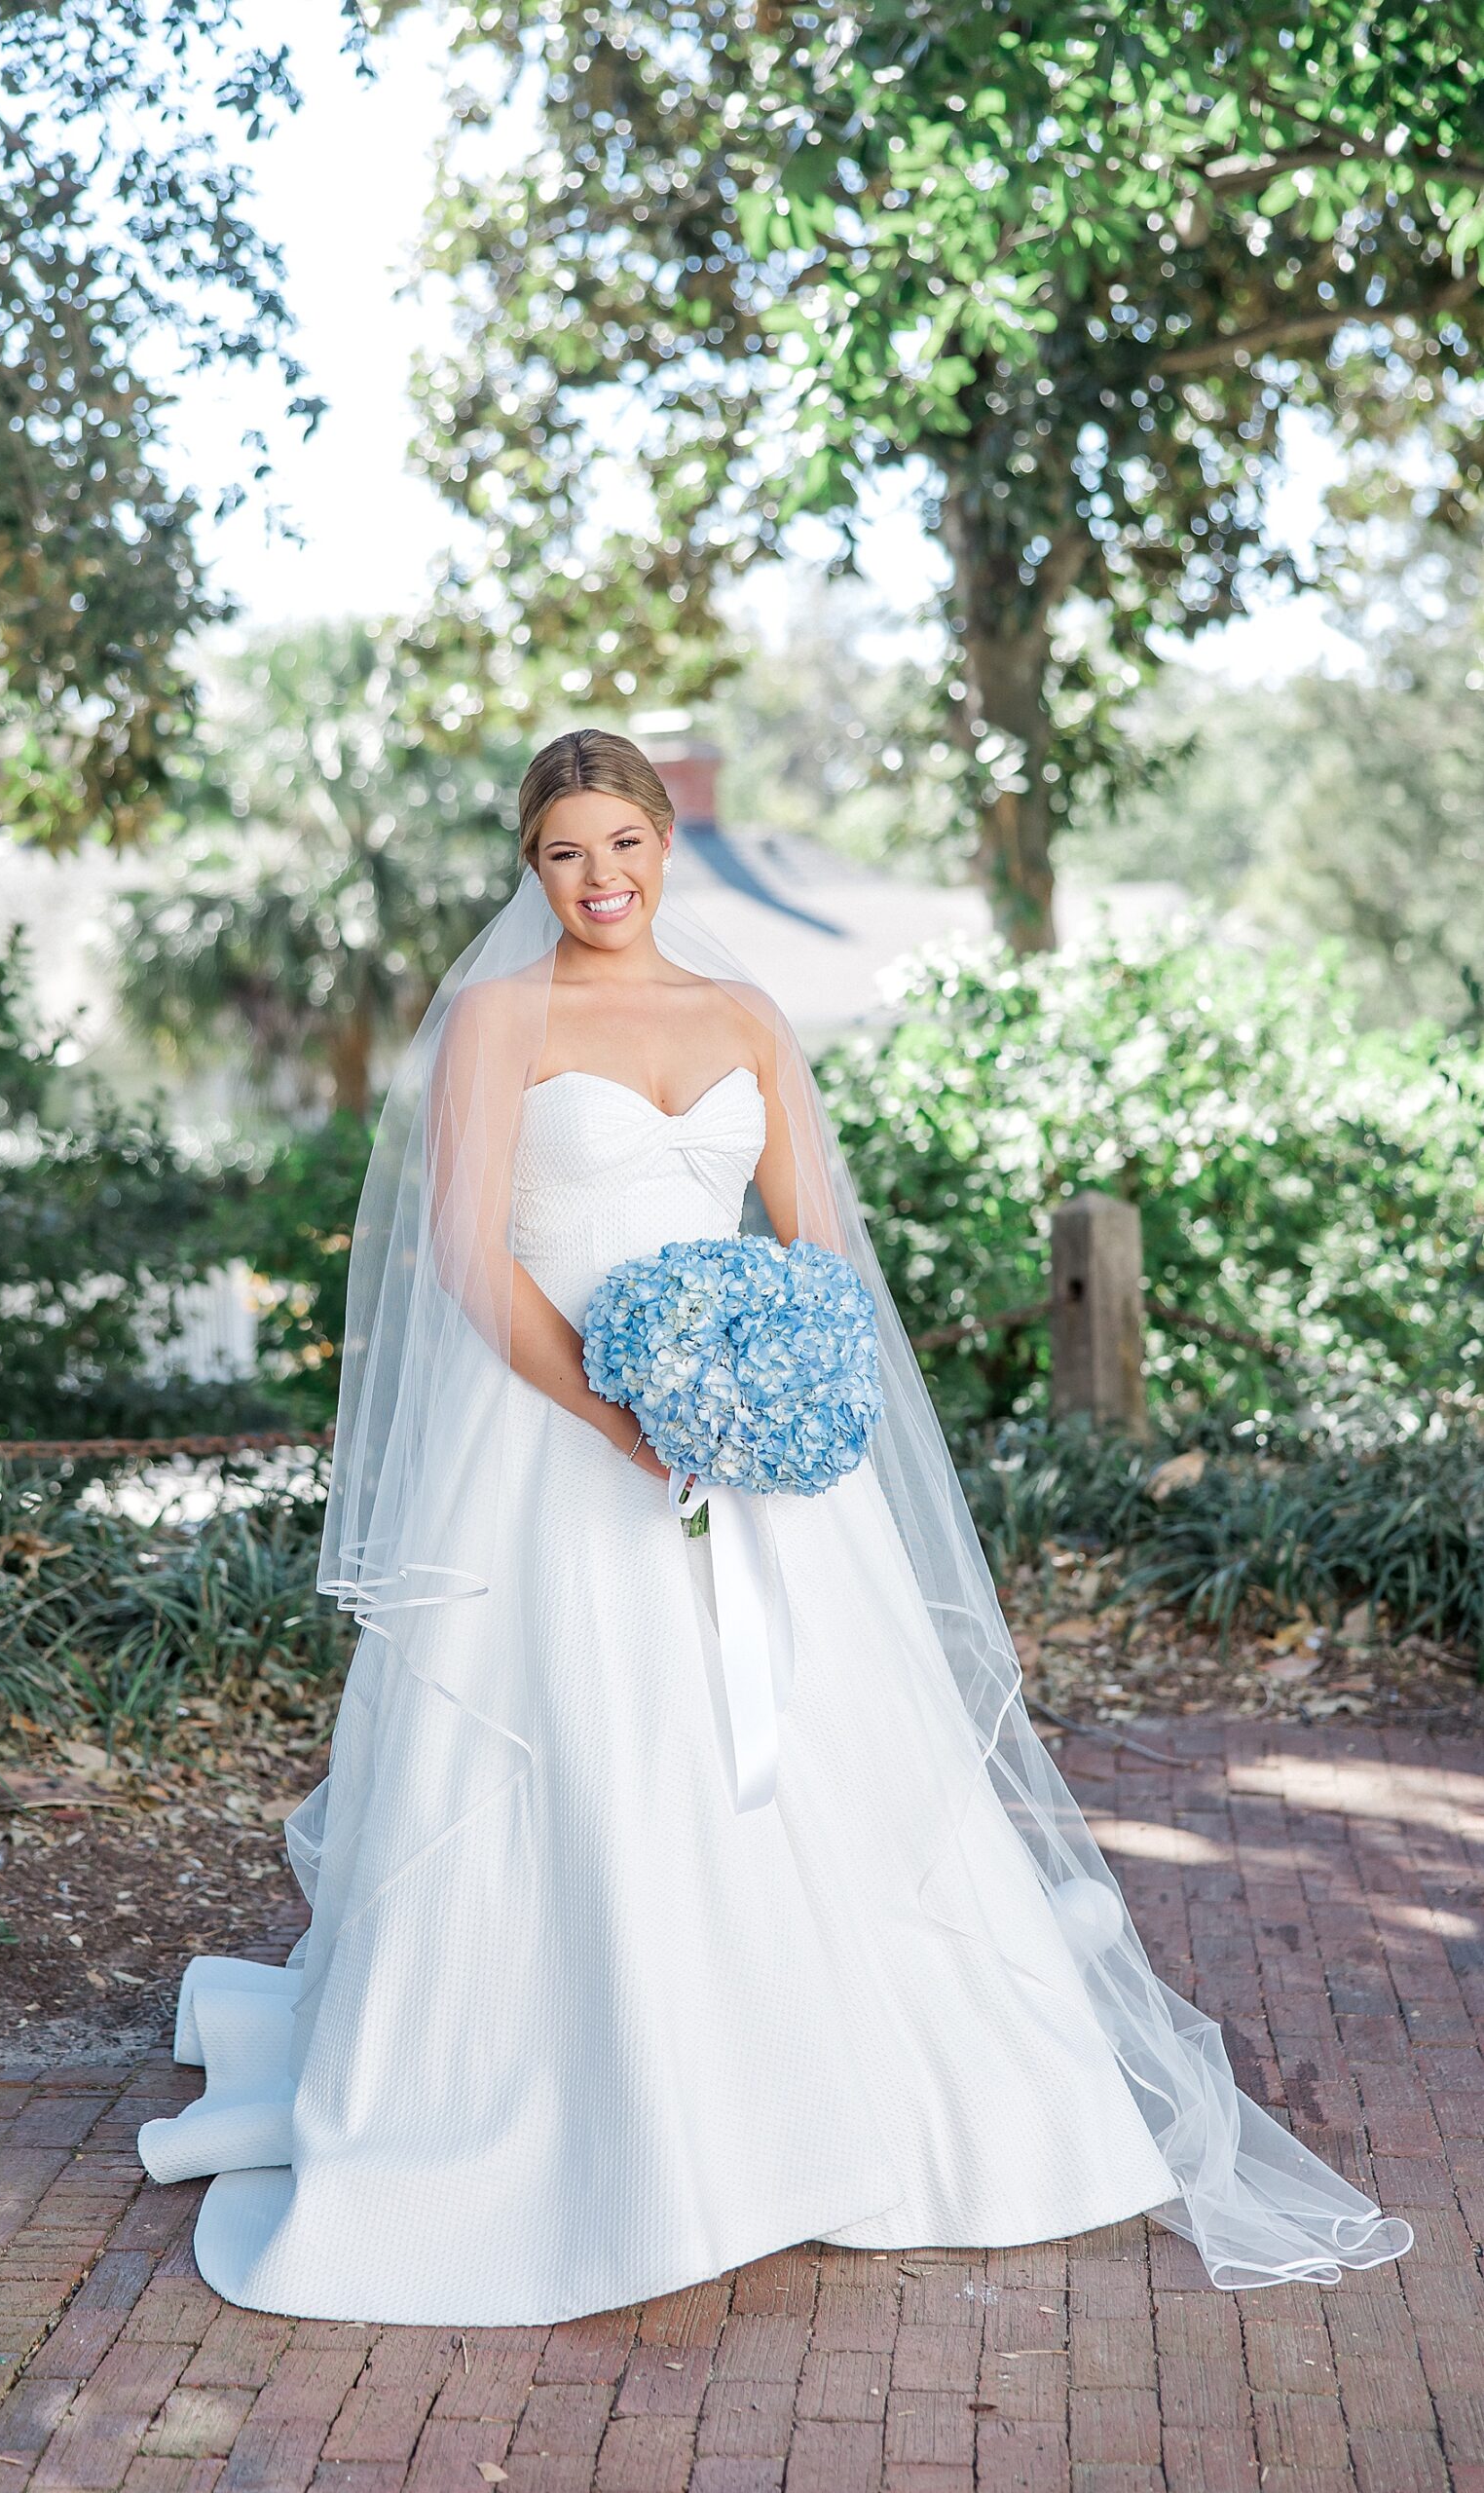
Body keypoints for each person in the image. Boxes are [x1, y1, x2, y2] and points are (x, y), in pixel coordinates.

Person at [137, 726, 1411, 2325]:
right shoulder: (495, 1020)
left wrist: (777, 1409)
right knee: (592, 1747)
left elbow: (820, 1257)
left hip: (760, 1467)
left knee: (820, 1766)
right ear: (530, 873)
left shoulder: (745, 1013)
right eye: (562, 855)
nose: (599, 880)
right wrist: (627, 1423)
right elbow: (468, 1263)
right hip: (556, 1452)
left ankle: (837, 2107)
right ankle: (610, 2120)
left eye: (622, 844)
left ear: (669, 846)